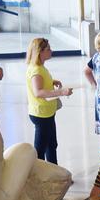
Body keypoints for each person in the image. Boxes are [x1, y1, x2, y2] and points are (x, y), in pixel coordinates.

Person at [25, 36, 71, 164]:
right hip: (41, 114)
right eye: (48, 49)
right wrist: (61, 92)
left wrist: (52, 81)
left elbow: (41, 84)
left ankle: (54, 172)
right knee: (40, 150)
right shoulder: (36, 70)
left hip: (47, 112)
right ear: (40, 52)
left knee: (51, 145)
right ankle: (40, 175)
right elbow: (38, 92)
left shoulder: (39, 67)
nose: (51, 51)